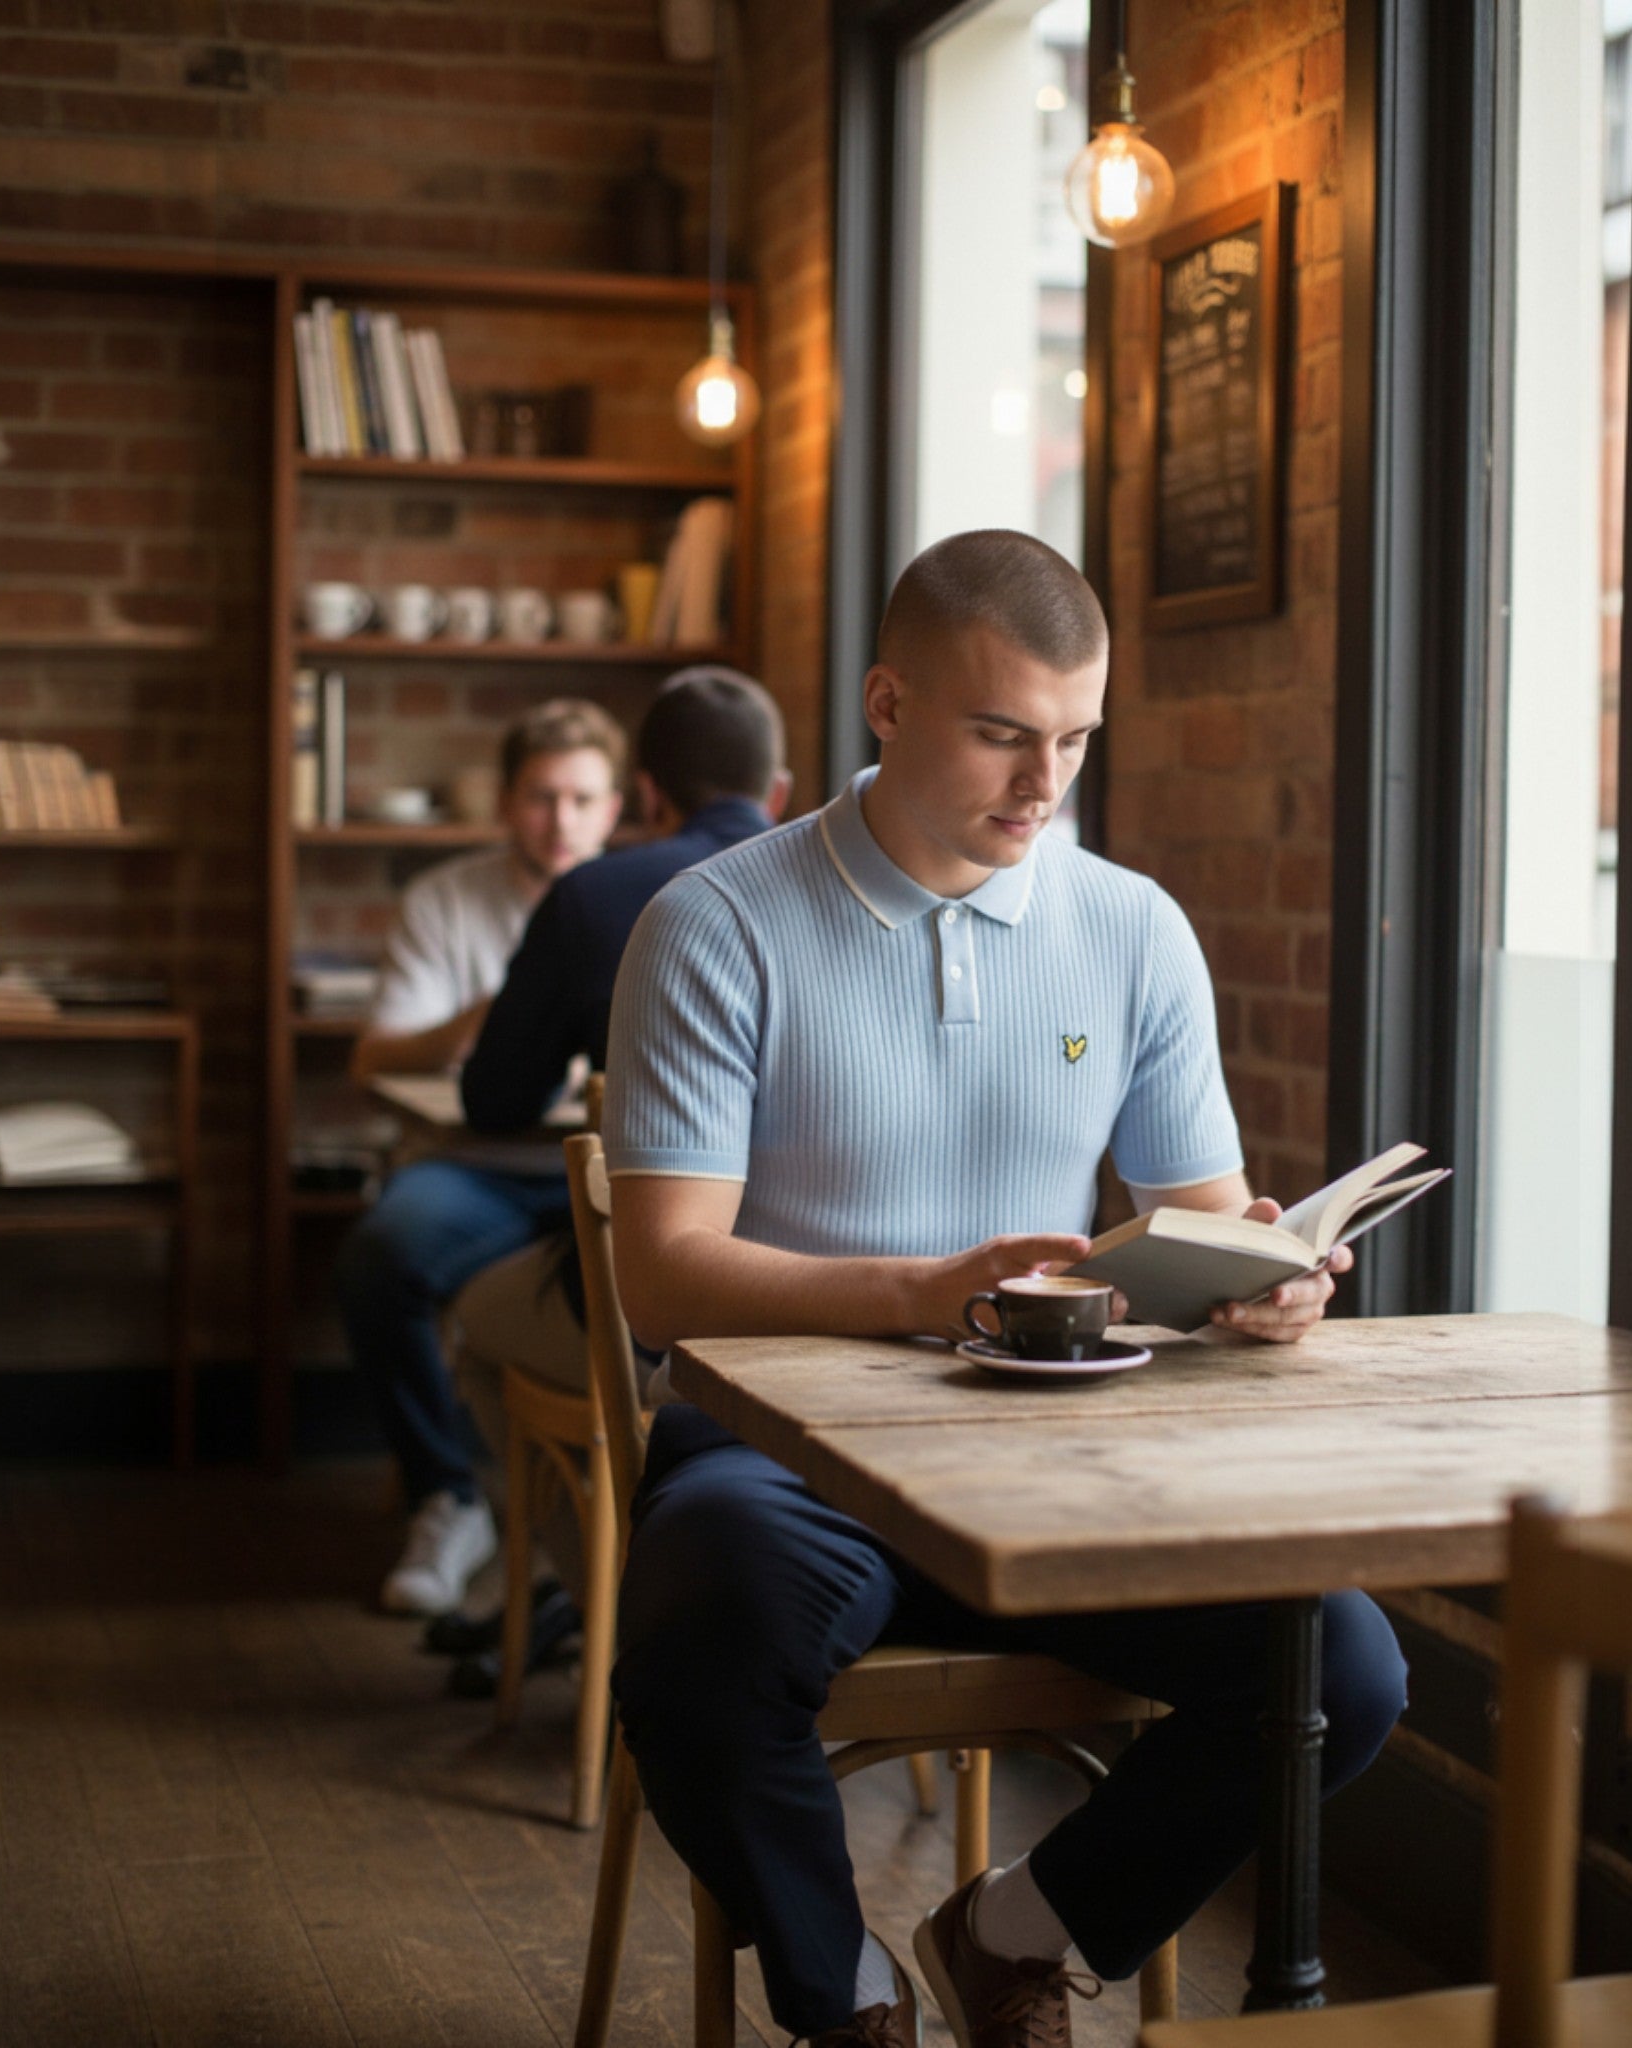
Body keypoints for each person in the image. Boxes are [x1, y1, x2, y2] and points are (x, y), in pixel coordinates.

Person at [601, 531, 1408, 2048]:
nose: (1046, 784)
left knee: (1343, 1670)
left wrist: (1261, 1281)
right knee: (698, 1652)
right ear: (887, 703)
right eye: (1003, 734)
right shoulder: (715, 923)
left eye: (1076, 740)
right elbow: (661, 1279)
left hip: (1059, 1453)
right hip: (781, 1454)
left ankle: (1014, 1933)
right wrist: (930, 1289)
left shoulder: (1131, 928)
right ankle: (846, 2004)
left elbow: (1200, 1212)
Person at [437, 667, 792, 1689]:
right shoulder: (827, 890)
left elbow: (494, 1096)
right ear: (778, 790)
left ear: (642, 794)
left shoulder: (598, 893)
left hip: (662, 1304)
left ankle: (601, 1599)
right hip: (833, 1295)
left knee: (477, 1319)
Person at [337, 698, 626, 1617]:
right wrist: (498, 1022)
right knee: (382, 1256)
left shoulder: (641, 901)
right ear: (506, 803)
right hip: (481, 1166)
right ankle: (446, 1497)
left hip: (613, 1172)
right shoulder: (446, 901)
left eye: (583, 799)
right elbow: (373, 1057)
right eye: (542, 798)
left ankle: (634, 1539)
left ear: (617, 807)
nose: (562, 820)